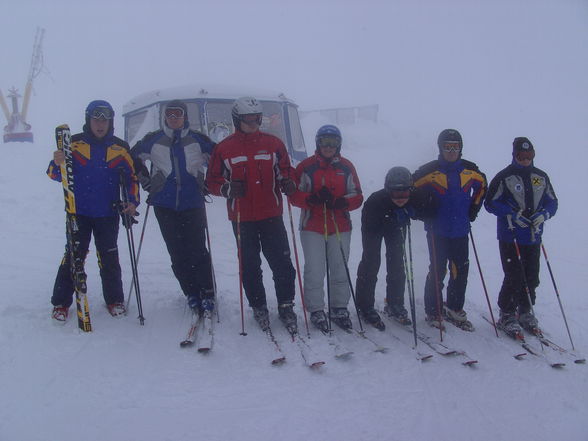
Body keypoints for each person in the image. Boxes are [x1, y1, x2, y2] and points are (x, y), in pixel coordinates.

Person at [205, 97, 298, 334]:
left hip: (271, 214)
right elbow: (213, 181)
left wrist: (288, 182)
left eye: (257, 118)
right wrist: (227, 188)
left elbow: (286, 170)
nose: (253, 122)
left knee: (282, 262)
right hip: (242, 217)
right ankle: (259, 306)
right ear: (238, 119)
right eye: (248, 118)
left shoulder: (273, 144)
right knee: (250, 264)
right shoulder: (224, 148)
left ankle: (286, 304)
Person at [47, 100, 139, 321]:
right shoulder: (74, 144)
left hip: (108, 213)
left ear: (110, 122)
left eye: (104, 120)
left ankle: (114, 300)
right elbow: (54, 174)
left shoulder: (119, 147)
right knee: (73, 256)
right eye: (96, 120)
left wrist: (132, 201)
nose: (100, 125)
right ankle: (61, 303)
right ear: (89, 120)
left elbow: (130, 179)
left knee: (109, 257)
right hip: (78, 211)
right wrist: (57, 161)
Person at [130, 100, 216, 316]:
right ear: (164, 117)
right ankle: (191, 292)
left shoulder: (198, 140)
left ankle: (207, 292)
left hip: (192, 203)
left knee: (198, 250)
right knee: (177, 253)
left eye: (178, 114)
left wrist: (208, 182)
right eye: (170, 114)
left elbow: (220, 158)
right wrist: (147, 182)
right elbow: (131, 158)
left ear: (185, 116)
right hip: (164, 205)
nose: (174, 118)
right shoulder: (154, 140)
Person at [290, 125, 363, 332]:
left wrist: (341, 202)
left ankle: (339, 307)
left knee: (339, 267)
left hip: (339, 225)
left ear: (339, 144)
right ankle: (315, 309)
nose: (329, 147)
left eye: (333, 143)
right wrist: (311, 198)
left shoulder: (346, 167)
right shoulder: (306, 166)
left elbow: (357, 195)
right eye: (325, 142)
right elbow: (294, 195)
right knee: (315, 268)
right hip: (312, 225)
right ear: (318, 143)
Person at [413, 129, 487, 331]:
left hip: (461, 230)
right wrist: (422, 210)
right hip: (437, 230)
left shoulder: (470, 170)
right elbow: (410, 191)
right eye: (447, 146)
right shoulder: (429, 171)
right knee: (437, 269)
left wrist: (474, 208)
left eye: (455, 147)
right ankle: (433, 310)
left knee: (460, 269)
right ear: (440, 148)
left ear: (460, 148)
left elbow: (482, 186)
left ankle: (454, 308)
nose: (452, 151)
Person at [484, 137, 557, 336]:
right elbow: (490, 203)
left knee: (532, 276)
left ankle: (525, 310)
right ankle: (507, 313)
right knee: (514, 275)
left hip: (533, 236)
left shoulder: (540, 176)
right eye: (521, 156)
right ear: (514, 155)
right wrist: (511, 213)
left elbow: (552, 202)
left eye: (529, 156)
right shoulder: (504, 176)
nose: (525, 160)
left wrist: (544, 214)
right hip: (511, 236)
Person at [356, 166, 435, 330]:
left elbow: (429, 209)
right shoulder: (374, 202)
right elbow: (370, 228)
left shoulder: (415, 196)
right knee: (371, 262)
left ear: (410, 189)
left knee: (397, 263)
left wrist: (414, 212)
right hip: (375, 225)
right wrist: (391, 217)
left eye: (404, 193)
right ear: (387, 190)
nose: (400, 197)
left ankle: (395, 303)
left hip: (396, 225)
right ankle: (365, 306)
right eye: (395, 193)